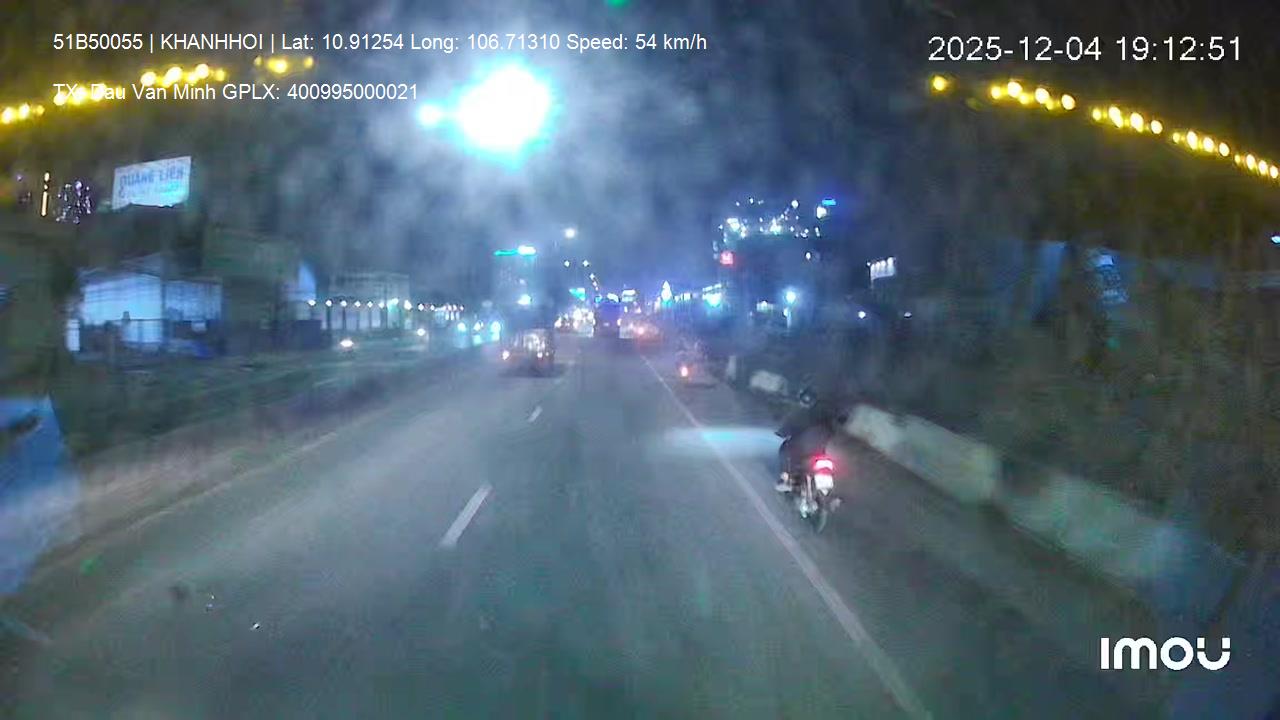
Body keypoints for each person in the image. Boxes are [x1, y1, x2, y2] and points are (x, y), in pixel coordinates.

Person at [775, 391, 840, 493]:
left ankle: (786, 479)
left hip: (804, 448)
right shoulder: (823, 410)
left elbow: (784, 430)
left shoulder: (797, 414)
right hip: (823, 447)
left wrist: (781, 432)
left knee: (785, 451)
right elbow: (834, 425)